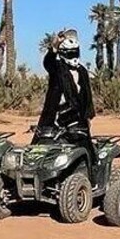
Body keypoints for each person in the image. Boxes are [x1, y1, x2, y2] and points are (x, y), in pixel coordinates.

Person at [37, 29, 98, 170]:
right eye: (70, 53)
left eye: (75, 52)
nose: (73, 56)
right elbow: (48, 62)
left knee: (84, 152)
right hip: (54, 120)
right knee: (43, 152)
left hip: (77, 121)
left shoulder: (82, 71)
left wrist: (88, 115)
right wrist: (54, 47)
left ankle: (90, 177)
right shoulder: (58, 69)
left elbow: (86, 95)